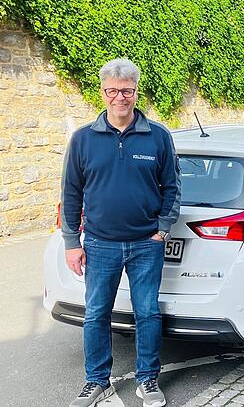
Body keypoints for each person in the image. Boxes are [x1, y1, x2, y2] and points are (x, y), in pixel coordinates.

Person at [62, 58, 181, 407]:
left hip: (147, 244)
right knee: (97, 313)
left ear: (136, 91)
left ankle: (147, 380)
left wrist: (161, 228)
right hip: (99, 244)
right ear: (102, 92)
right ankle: (96, 381)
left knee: (147, 313)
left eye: (126, 91)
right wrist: (73, 243)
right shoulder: (83, 139)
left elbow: (172, 187)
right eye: (112, 90)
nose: (119, 98)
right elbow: (71, 193)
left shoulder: (158, 136)